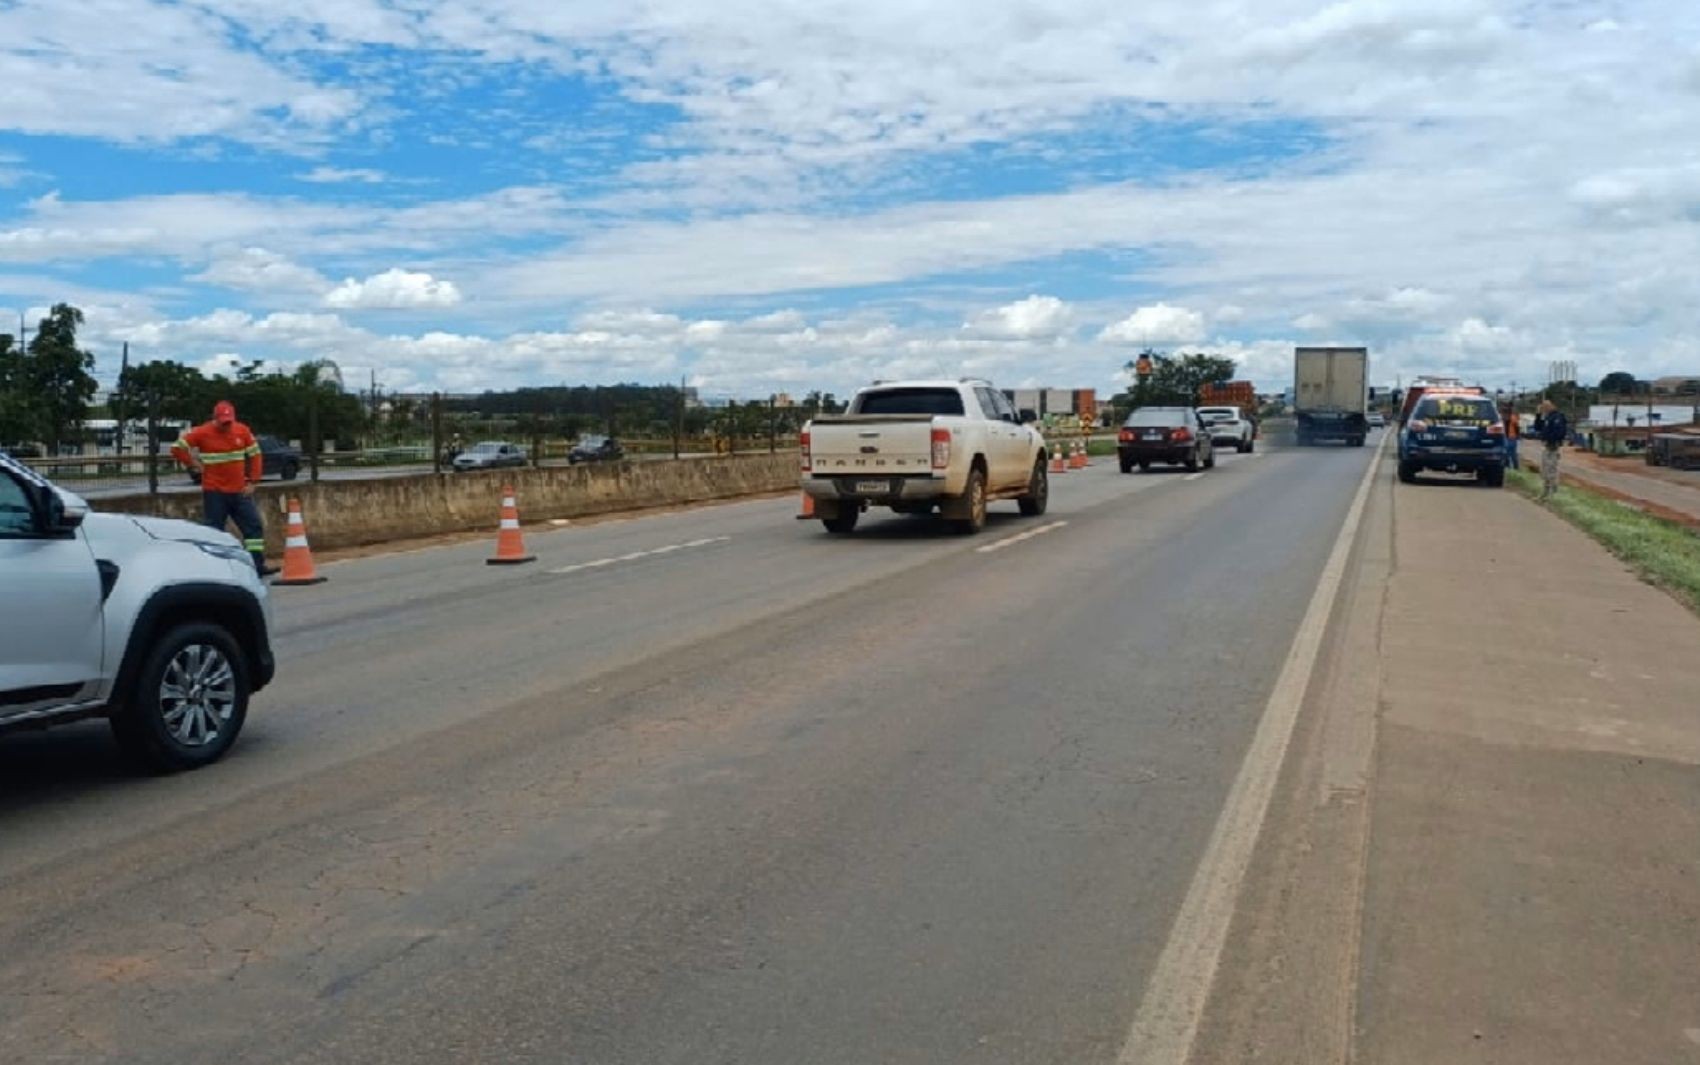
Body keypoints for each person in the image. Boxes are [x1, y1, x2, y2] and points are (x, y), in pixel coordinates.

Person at [171, 400, 273, 576]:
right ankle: (214, 569)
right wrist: (193, 463)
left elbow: (256, 455)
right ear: (215, 418)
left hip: (240, 491)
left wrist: (253, 482)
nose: (226, 426)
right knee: (214, 532)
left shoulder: (242, 430)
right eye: (223, 422)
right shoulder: (202, 432)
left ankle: (257, 565)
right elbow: (177, 448)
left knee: (253, 527)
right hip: (215, 492)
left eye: (229, 421)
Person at [1530, 399, 1569, 500]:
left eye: (1544, 407)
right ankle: (1545, 492)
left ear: (1550, 406)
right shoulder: (1547, 417)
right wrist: (1538, 415)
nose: (1544, 409)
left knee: (1551, 470)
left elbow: (1559, 433)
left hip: (1553, 446)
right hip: (1546, 446)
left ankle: (1553, 492)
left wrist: (1550, 439)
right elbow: (1537, 427)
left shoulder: (1557, 417)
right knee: (1544, 471)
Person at [1502, 403, 1521, 472]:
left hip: (1511, 438)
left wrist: (1517, 437)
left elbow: (1517, 428)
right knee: (1507, 455)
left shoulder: (1512, 418)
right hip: (1507, 438)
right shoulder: (1503, 419)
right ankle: (1509, 468)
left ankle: (1514, 469)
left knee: (1511, 455)